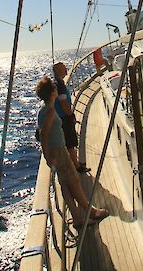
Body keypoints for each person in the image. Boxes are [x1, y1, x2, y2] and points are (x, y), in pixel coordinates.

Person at [36, 76, 108, 230]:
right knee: (74, 181)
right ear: (52, 92)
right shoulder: (49, 111)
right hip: (59, 152)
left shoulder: (43, 110)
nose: (56, 90)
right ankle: (91, 212)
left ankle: (78, 218)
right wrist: (48, 156)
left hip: (56, 151)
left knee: (66, 186)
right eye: (55, 89)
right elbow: (43, 134)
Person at [53, 61, 90, 173]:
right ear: (60, 71)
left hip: (60, 118)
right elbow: (63, 103)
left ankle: (74, 163)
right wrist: (71, 115)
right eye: (64, 68)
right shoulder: (60, 86)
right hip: (64, 118)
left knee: (68, 143)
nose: (66, 70)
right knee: (70, 143)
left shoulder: (57, 84)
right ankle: (77, 166)